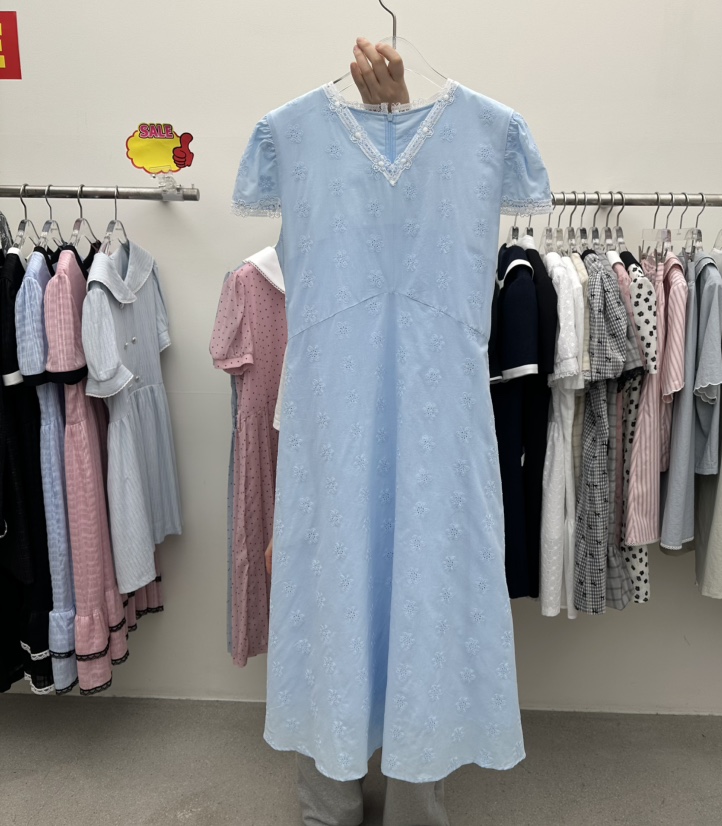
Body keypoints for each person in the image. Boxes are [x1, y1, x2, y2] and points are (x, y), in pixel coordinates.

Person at [263, 38, 451, 826]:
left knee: (421, 610)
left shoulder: (459, 156)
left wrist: (400, 116)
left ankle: (412, 796)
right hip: (329, 432)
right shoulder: (299, 146)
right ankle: (330, 797)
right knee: (328, 607)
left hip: (428, 436)